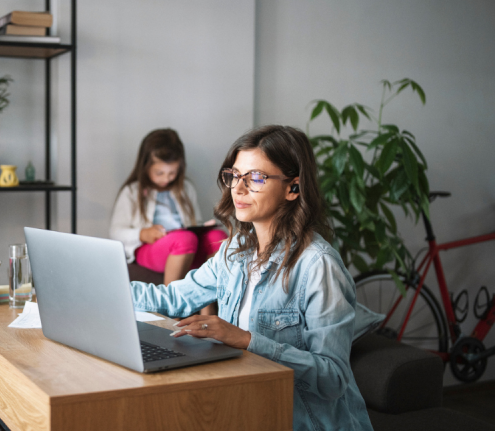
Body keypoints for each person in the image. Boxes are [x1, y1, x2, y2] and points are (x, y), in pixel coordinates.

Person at [131, 125, 373, 430]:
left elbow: (332, 379)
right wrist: (95, 288)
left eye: (256, 177)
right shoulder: (235, 250)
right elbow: (172, 299)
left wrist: (246, 340)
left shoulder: (318, 266)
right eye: (234, 175)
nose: (238, 188)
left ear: (293, 187)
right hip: (248, 408)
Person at [109, 128, 229, 287]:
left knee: (217, 237)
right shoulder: (132, 192)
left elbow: (193, 221)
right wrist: (142, 234)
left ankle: (208, 303)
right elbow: (115, 232)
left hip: (186, 245)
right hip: (152, 248)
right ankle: (171, 304)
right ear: (145, 167)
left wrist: (201, 227)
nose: (166, 178)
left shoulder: (185, 188)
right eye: (159, 173)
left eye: (172, 172)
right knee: (184, 239)